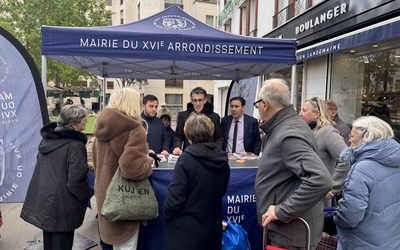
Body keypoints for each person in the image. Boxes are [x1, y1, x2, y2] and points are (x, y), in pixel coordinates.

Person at [254, 79, 332, 250]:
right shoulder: (286, 127)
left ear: (265, 104)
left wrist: (281, 211)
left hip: (290, 235)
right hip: (289, 232)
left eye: (257, 104)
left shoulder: (288, 133)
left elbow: (321, 180)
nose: (258, 108)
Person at [20, 104, 93, 250]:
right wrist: (88, 194)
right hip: (63, 206)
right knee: (62, 244)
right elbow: (76, 180)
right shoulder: (75, 145)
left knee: (50, 243)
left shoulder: (48, 140)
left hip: (46, 201)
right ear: (74, 123)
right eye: (83, 118)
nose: (86, 120)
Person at [93, 88, 154, 249]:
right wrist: (147, 163)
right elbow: (131, 169)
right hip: (125, 199)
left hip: (104, 196)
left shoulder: (100, 127)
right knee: (126, 245)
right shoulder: (134, 129)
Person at [163, 113, 230, 250]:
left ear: (188, 135)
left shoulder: (186, 159)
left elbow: (174, 199)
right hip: (211, 230)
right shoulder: (222, 158)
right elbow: (222, 190)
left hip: (184, 232)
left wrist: (168, 215)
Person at [335, 116, 400, 250]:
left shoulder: (362, 168)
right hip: (392, 239)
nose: (349, 139)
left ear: (367, 138)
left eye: (352, 136)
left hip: (362, 241)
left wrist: (337, 216)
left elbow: (350, 215)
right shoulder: (395, 160)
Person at [299, 97, 350, 203]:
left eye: (304, 110)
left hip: (319, 199)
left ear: (317, 114)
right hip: (305, 195)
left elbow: (347, 159)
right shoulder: (308, 131)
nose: (300, 114)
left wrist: (333, 187)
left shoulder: (327, 132)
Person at [173, 87, 223, 155]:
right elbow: (178, 136)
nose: (197, 103)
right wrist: (177, 147)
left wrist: (217, 150)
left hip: (209, 154)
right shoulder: (183, 116)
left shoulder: (214, 117)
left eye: (200, 100)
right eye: (195, 100)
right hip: (189, 153)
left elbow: (219, 138)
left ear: (205, 100)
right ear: (191, 101)